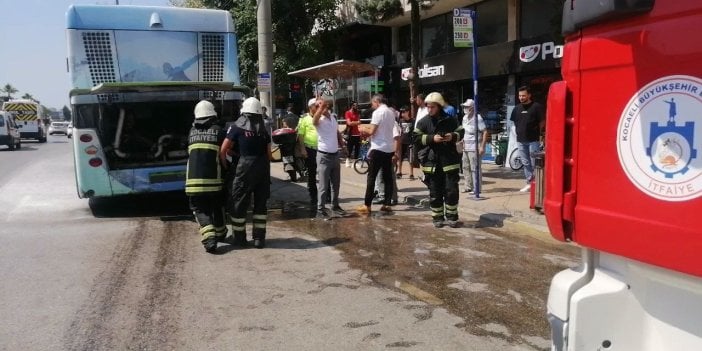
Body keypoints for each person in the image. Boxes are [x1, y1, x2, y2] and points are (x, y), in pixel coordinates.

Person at [220, 97, 272, 249]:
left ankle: (239, 239)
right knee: (260, 205)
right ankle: (259, 239)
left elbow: (223, 151)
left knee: (239, 204)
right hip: (262, 170)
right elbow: (269, 155)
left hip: (243, 171)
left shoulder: (236, 127)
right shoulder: (263, 130)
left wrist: (226, 167)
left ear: (244, 112)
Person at [414, 92, 465, 228]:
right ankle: (437, 218)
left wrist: (452, 136)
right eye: (428, 107)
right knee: (435, 193)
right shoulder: (423, 122)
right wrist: (432, 138)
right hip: (432, 163)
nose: (429, 109)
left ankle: (452, 217)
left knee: (451, 191)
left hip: (449, 161)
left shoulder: (450, 120)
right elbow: (415, 138)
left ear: (439, 106)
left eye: (432, 107)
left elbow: (461, 131)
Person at [185, 100, 227, 253]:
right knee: (217, 207)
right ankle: (221, 233)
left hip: (193, 183)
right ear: (213, 115)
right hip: (214, 181)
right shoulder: (219, 131)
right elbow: (225, 155)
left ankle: (210, 238)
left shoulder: (191, 132)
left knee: (200, 209)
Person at [357, 94, 398, 214]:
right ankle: (387, 203)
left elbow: (372, 131)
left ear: (377, 101)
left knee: (372, 177)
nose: (372, 105)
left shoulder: (378, 113)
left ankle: (367, 205)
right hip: (389, 148)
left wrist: (362, 129)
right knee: (388, 177)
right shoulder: (391, 112)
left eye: (372, 103)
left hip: (378, 148)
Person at [312, 97, 347, 220]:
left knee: (336, 184)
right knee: (323, 185)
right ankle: (320, 209)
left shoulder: (332, 117)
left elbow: (336, 132)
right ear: (316, 108)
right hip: (324, 156)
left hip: (335, 155)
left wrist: (342, 146)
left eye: (324, 105)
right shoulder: (318, 119)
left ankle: (335, 206)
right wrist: (320, 108)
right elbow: (314, 121)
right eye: (319, 105)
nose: (324, 106)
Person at [510, 86, 545, 192]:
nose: (521, 97)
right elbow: (514, 122)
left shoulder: (536, 107)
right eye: (520, 96)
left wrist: (539, 133)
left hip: (533, 140)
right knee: (525, 162)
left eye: (523, 95)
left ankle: (538, 183)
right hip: (521, 140)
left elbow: (542, 122)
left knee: (535, 162)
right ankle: (530, 182)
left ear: (529, 95)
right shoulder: (516, 108)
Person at [460, 99, 488, 194]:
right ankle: (468, 186)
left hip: (475, 147)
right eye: (464, 107)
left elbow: (485, 132)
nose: (465, 108)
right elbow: (465, 131)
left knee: (475, 168)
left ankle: (477, 188)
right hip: (466, 146)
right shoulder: (464, 118)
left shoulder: (478, 118)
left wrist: (482, 147)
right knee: (465, 167)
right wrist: (462, 141)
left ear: (472, 108)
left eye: (467, 107)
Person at [297, 98, 320, 216]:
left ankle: (325, 197)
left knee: (324, 175)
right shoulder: (304, 119)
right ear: (310, 107)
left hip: (321, 150)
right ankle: (313, 197)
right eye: (316, 106)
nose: (318, 108)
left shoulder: (321, 117)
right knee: (312, 174)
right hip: (310, 149)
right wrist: (302, 149)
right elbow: (300, 135)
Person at [397, 105, 415, 180]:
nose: (402, 114)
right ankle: (399, 172)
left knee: (410, 159)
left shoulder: (413, 121)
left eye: (404, 112)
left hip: (409, 142)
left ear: (408, 112)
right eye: (401, 112)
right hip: (401, 142)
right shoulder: (400, 121)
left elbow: (414, 132)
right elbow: (398, 131)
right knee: (400, 158)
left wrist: (413, 141)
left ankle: (411, 174)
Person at [344, 101, 362, 168]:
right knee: (350, 148)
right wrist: (357, 122)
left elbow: (359, 123)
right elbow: (349, 123)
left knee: (357, 149)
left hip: (357, 134)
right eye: (355, 105)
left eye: (357, 105)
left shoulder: (357, 113)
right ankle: (347, 161)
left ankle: (355, 163)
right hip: (350, 134)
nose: (356, 107)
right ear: (352, 106)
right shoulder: (347, 113)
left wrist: (355, 123)